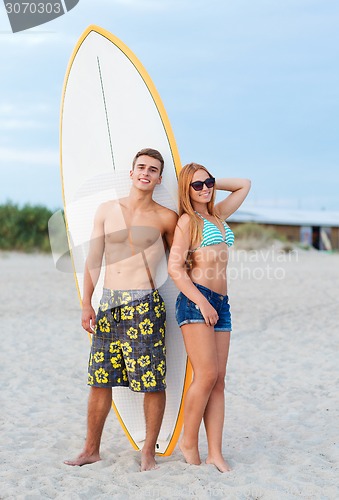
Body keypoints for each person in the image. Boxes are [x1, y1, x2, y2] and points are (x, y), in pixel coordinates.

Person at [64, 148, 178, 471]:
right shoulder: (106, 210)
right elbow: (93, 259)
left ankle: (148, 453)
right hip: (109, 303)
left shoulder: (165, 218)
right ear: (131, 173)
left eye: (153, 170)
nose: (146, 173)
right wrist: (86, 302)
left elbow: (180, 260)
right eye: (141, 167)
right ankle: (91, 449)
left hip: (144, 305)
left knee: (152, 381)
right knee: (100, 379)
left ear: (158, 178)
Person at [168, 163, 251, 472]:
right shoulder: (187, 222)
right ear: (186, 190)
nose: (205, 188)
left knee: (218, 380)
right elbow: (175, 268)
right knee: (205, 375)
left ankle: (215, 452)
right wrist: (202, 302)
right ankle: (189, 442)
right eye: (197, 185)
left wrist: (208, 176)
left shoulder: (217, 214)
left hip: (222, 302)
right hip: (196, 301)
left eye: (209, 182)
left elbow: (244, 183)